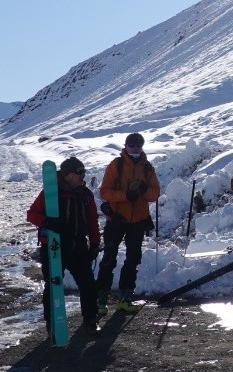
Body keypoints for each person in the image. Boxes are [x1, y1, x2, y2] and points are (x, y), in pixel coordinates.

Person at [26, 156, 102, 335]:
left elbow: (92, 220)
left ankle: (91, 320)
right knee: (53, 285)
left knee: (88, 284)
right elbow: (31, 214)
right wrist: (47, 222)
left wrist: (95, 243)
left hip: (78, 246)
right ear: (67, 174)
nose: (82, 176)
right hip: (54, 247)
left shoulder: (85, 194)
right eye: (78, 172)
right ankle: (52, 323)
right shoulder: (51, 192)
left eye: (83, 172)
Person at [97, 132, 160, 313]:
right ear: (125, 146)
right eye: (131, 145)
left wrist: (142, 190)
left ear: (142, 146)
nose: (135, 148)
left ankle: (125, 297)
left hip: (138, 221)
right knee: (109, 258)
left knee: (133, 259)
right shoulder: (116, 165)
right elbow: (105, 192)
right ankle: (100, 299)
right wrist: (125, 196)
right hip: (116, 218)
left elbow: (154, 194)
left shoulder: (147, 168)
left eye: (138, 145)